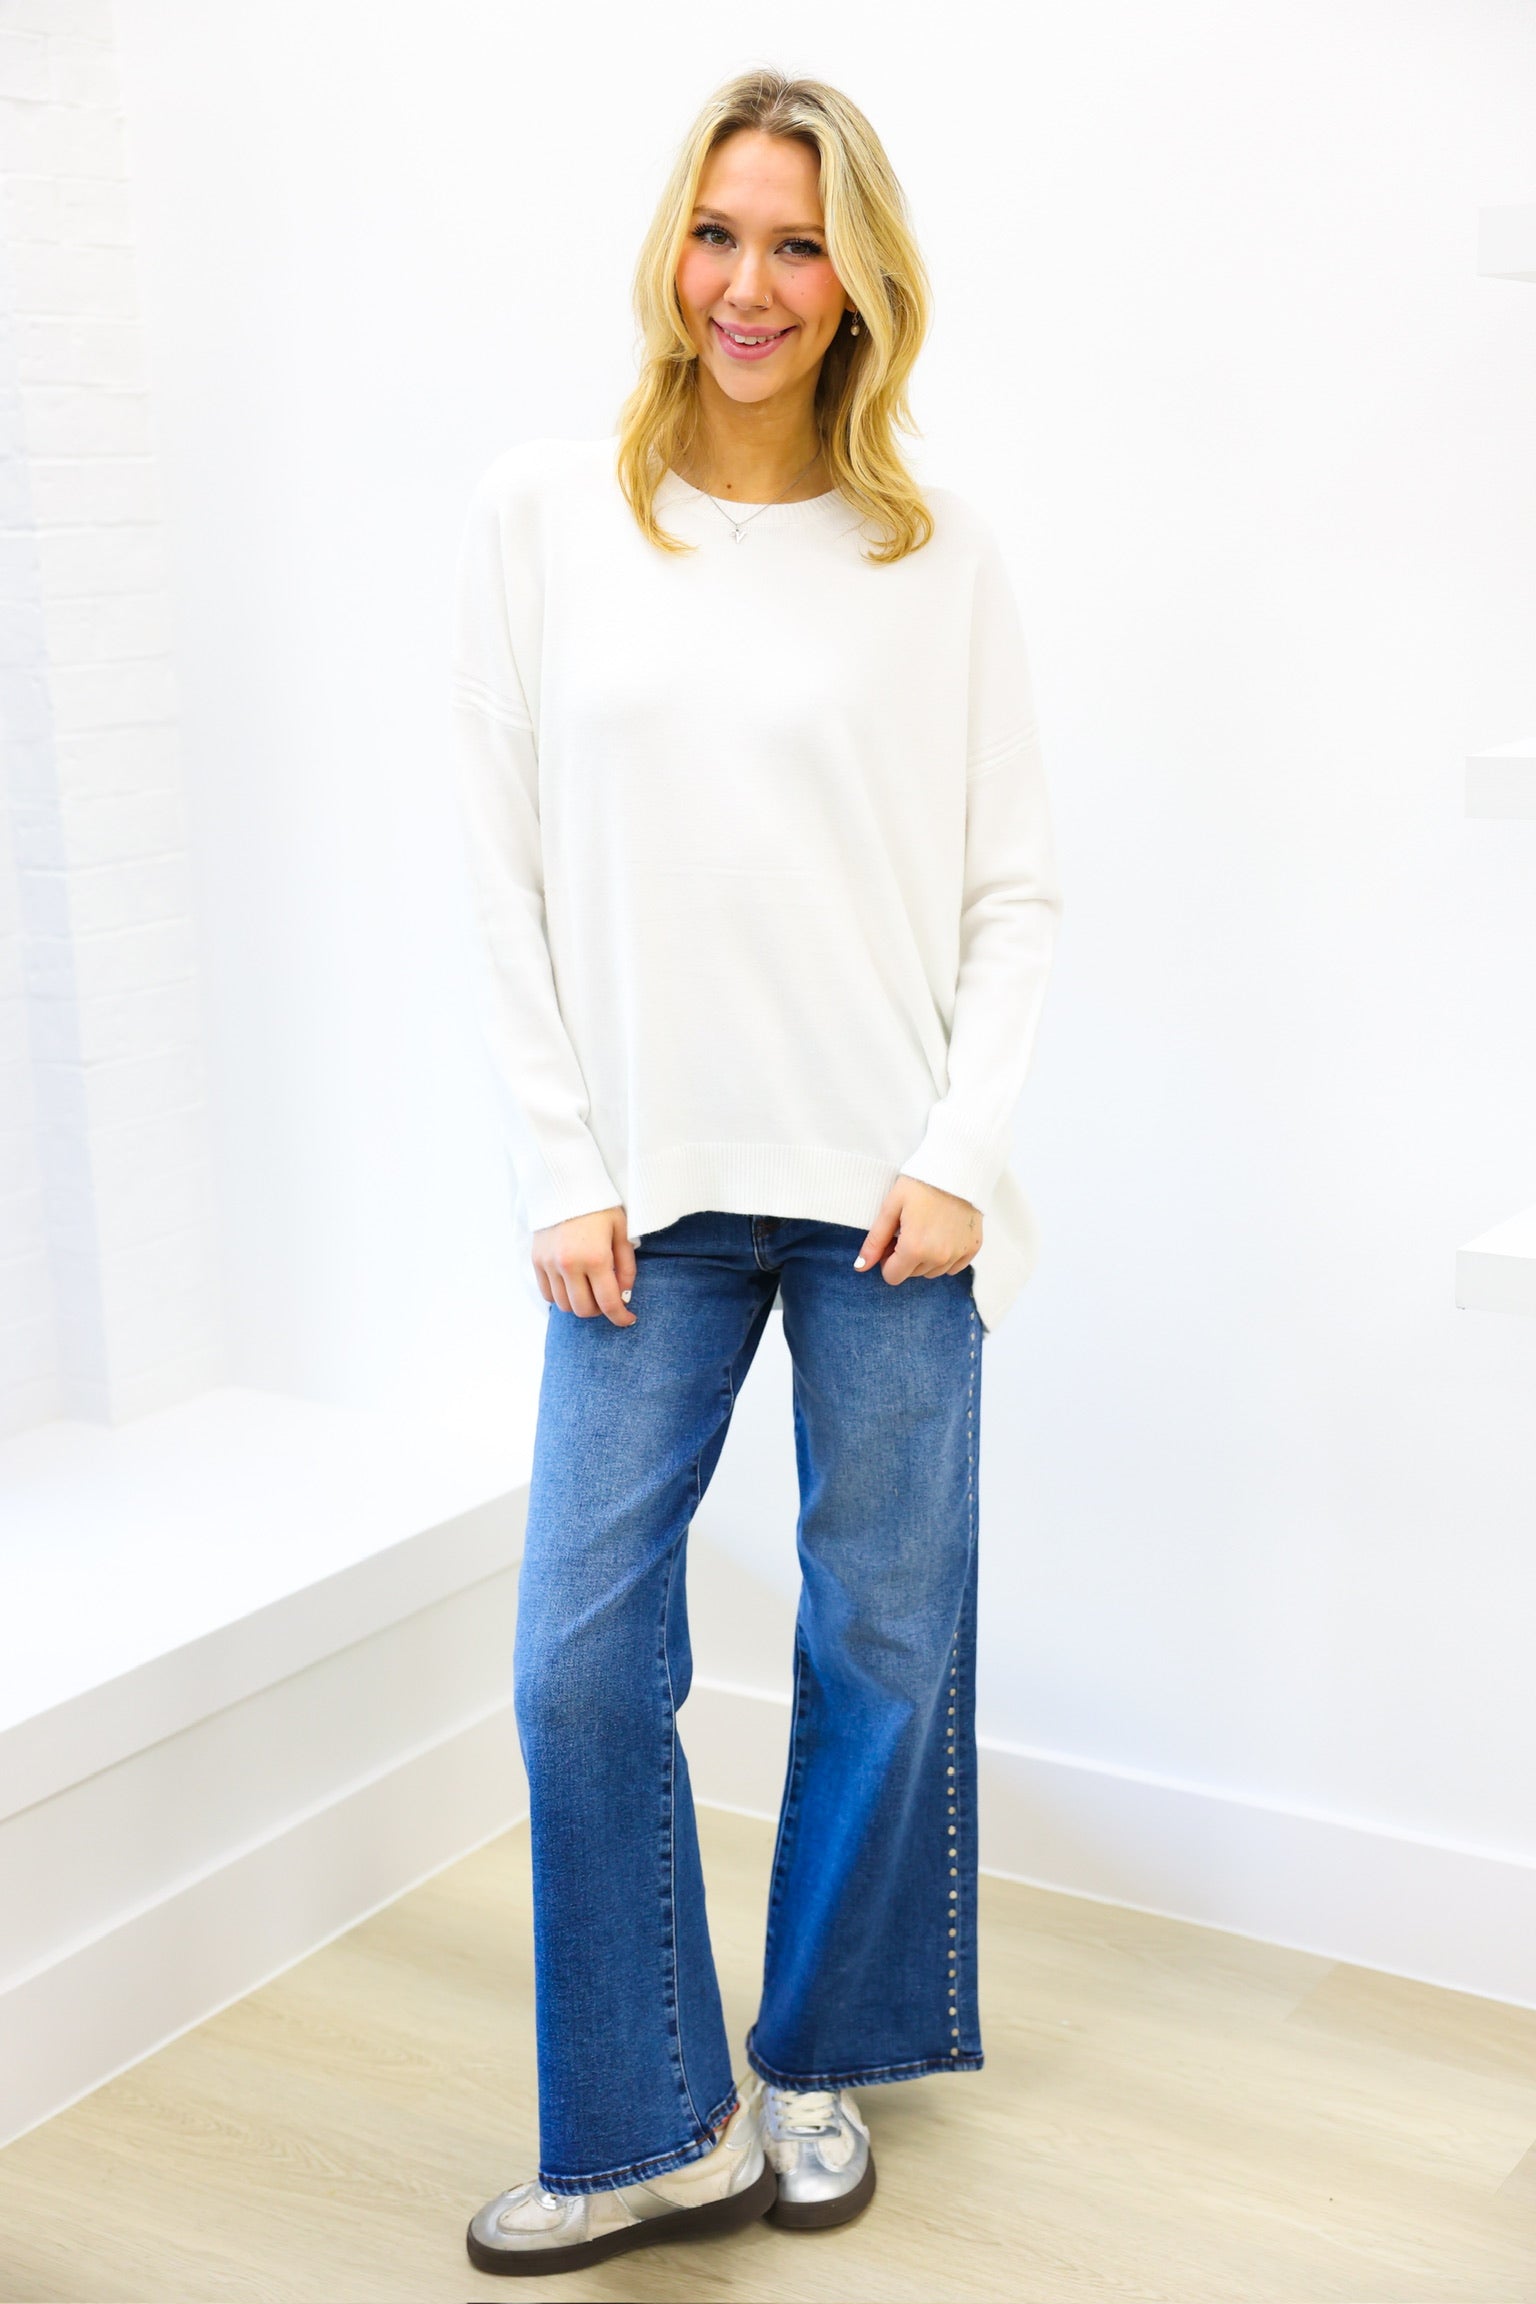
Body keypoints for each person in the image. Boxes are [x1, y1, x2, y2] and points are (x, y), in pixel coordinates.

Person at [448, 64, 1063, 2280]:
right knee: (580, 1660)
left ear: (861, 275)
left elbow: (1016, 895)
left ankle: (810, 2058)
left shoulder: (939, 554)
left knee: (884, 1648)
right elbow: (504, 876)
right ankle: (653, 2120)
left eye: (798, 241)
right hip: (644, 1198)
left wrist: (962, 1152)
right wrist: (559, 1159)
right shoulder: (544, 514)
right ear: (669, 251)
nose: (749, 283)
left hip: (891, 1182)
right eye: (720, 232)